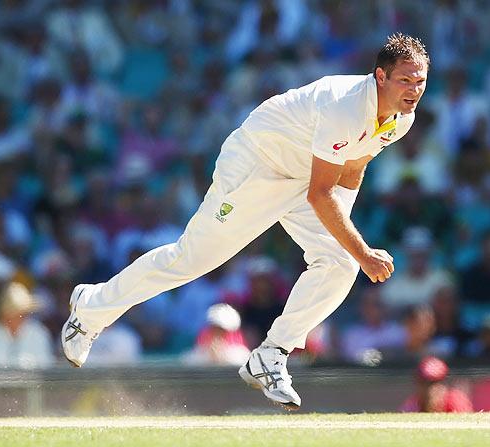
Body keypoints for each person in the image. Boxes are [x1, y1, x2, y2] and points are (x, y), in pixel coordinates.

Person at [61, 33, 430, 410]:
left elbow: (353, 167)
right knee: (189, 260)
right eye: (405, 79)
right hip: (257, 165)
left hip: (304, 176)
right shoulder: (345, 107)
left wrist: (345, 242)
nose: (414, 89)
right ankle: (91, 307)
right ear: (380, 76)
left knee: (340, 261)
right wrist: (364, 250)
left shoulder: (402, 119)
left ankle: (271, 354)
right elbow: (321, 194)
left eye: (420, 81)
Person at [399, 356, 473, 413]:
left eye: (434, 383)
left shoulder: (455, 400)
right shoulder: (414, 403)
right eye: (424, 383)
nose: (430, 389)